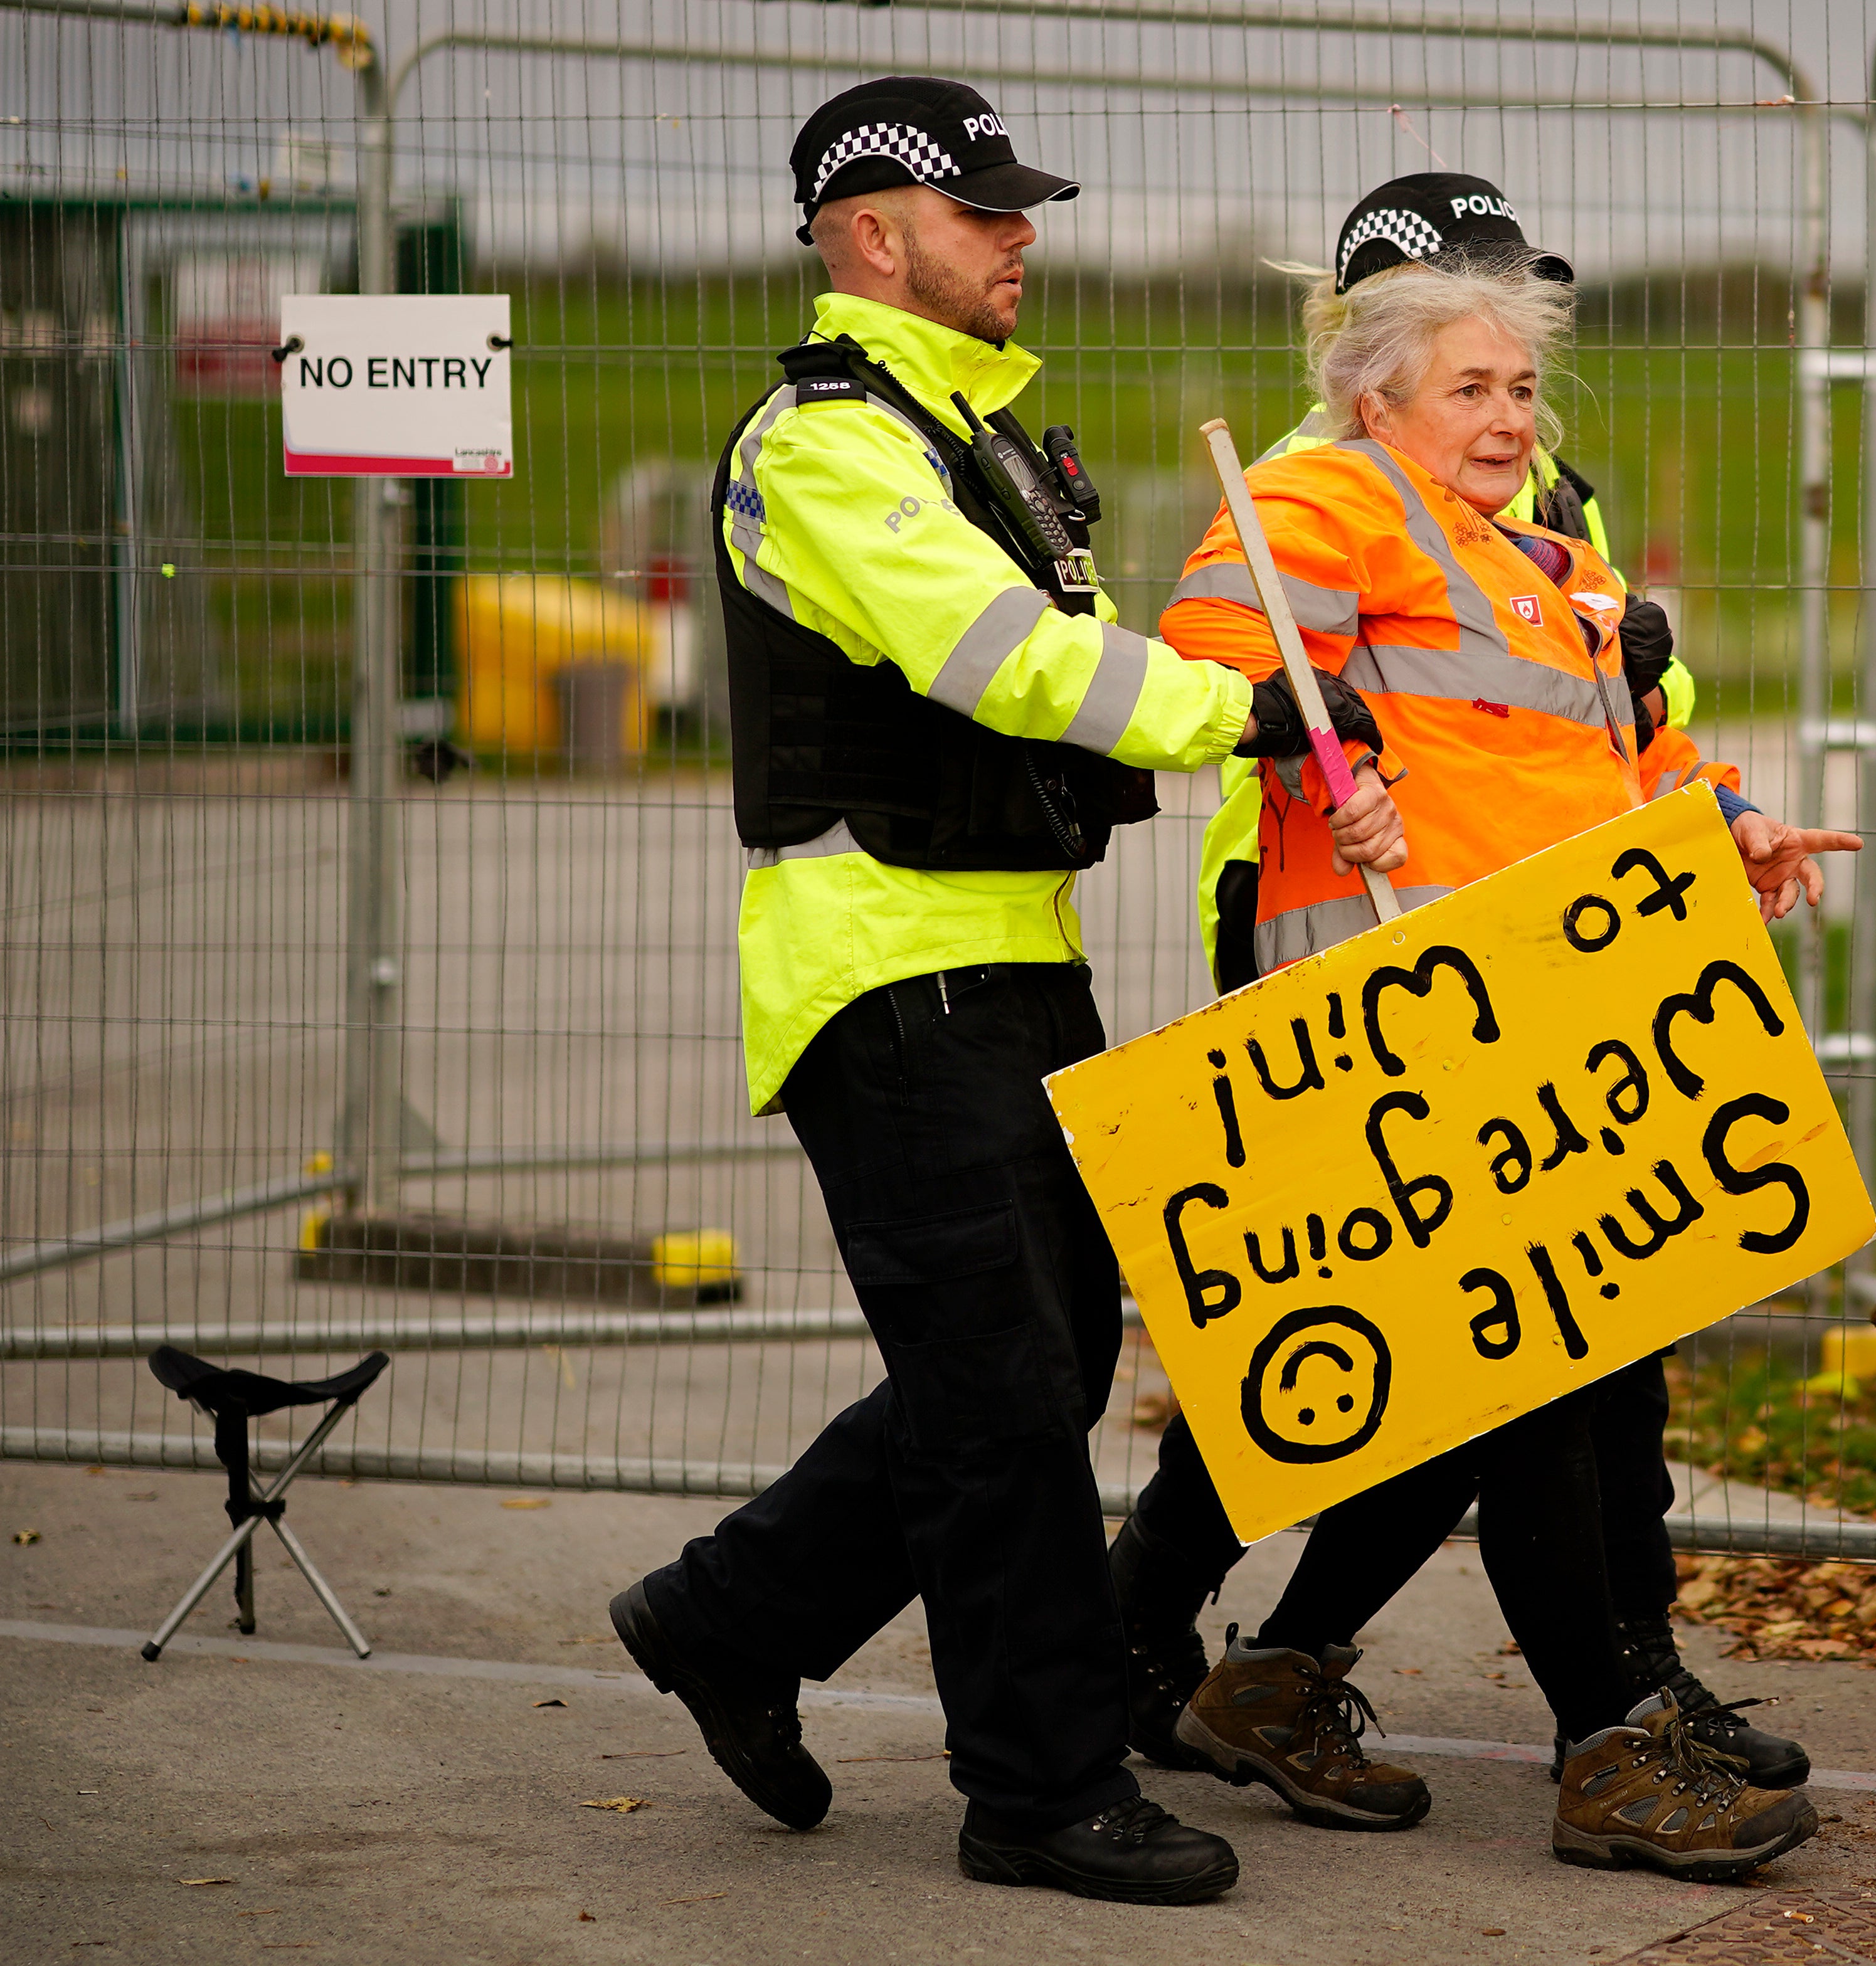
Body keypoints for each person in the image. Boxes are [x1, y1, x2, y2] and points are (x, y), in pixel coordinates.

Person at [605, 76, 1406, 1908]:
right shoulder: (823, 449)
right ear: (871, 235)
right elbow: (996, 660)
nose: (1022, 234)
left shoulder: (980, 439)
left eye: (1020, 206)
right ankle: (1038, 1790)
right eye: (986, 212)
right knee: (1010, 1399)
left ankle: (726, 1619)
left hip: (1009, 955)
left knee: (1014, 1367)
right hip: (881, 971)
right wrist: (1241, 713)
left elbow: (1059, 686)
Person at [1133, 248, 1860, 1879]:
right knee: (1526, 1366)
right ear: (1373, 398)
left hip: (1539, 1024)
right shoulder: (1331, 500)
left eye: (1522, 388)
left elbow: (1632, 741)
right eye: (1468, 387)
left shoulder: (1550, 565)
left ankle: (1250, 1670)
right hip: (1402, 1019)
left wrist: (1733, 821)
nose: (1505, 415)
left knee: (1500, 1377)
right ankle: (1608, 1745)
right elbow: (1213, 634)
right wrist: (1335, 745)